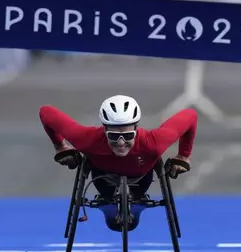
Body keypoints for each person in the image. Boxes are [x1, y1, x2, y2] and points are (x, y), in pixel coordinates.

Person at [39, 94, 197, 231]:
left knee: (130, 213)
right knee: (112, 215)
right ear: (104, 129)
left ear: (136, 128)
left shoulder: (153, 142)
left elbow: (191, 115)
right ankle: (109, 207)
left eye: (128, 135)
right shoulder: (88, 139)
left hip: (140, 180)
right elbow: (45, 112)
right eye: (113, 136)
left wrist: (183, 156)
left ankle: (133, 207)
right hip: (103, 179)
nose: (121, 143)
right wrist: (60, 146)